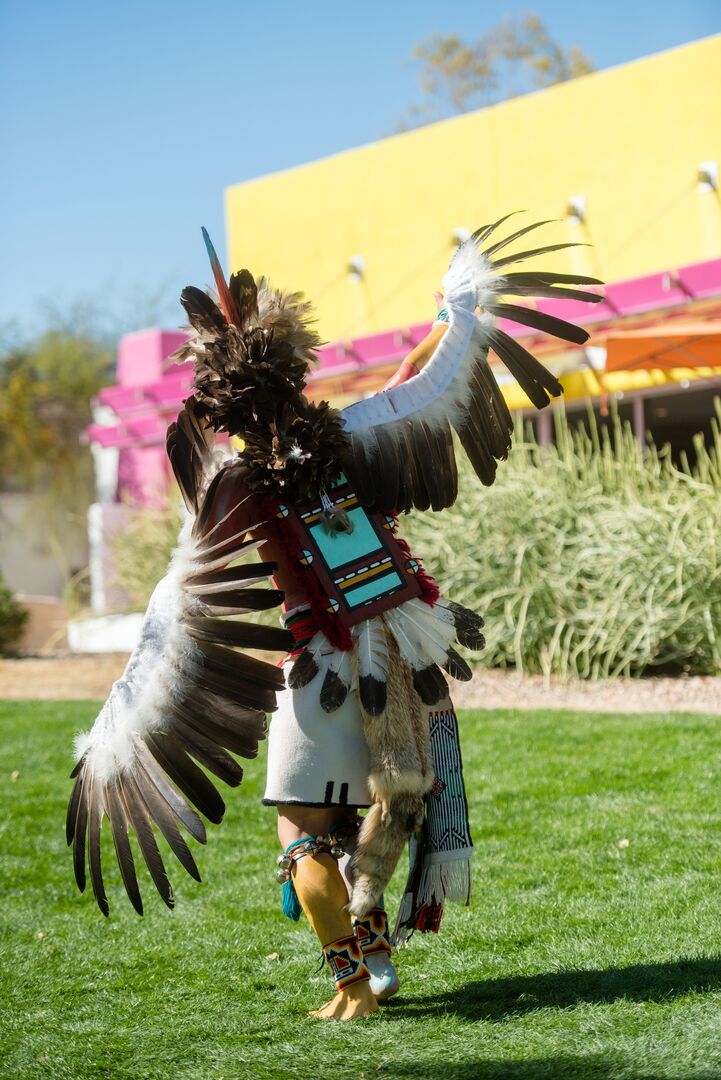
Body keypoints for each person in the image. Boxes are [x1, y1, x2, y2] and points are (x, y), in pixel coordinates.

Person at [66, 216, 600, 1019]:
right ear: (292, 368)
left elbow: (176, 615)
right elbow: (448, 357)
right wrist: (462, 301)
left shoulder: (231, 491)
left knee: (304, 842)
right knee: (363, 818)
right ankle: (375, 949)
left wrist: (112, 742)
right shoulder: (357, 431)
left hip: (322, 670)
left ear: (220, 397)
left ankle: (352, 983)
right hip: (409, 654)